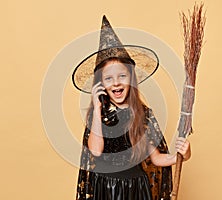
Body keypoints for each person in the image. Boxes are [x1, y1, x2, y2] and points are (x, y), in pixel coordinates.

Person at [72, 16, 191, 200]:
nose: (116, 83)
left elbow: (156, 158)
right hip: (105, 188)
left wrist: (181, 156)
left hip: (136, 187)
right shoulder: (97, 115)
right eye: (109, 78)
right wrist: (97, 109)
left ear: (131, 79)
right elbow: (95, 151)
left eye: (122, 76)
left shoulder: (142, 114)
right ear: (101, 83)